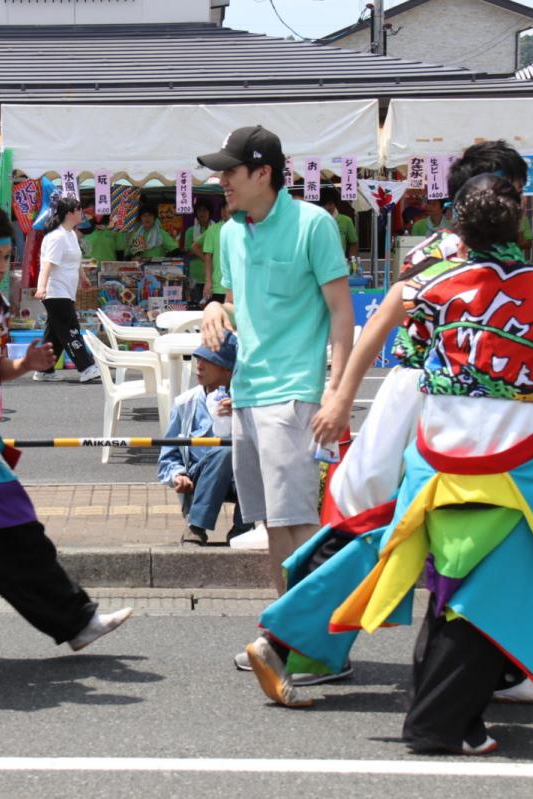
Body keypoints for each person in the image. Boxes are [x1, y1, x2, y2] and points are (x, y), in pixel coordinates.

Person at [250, 175, 533, 753]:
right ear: (518, 217)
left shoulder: (431, 270)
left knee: (394, 540)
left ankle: (292, 635)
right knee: (452, 560)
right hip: (499, 449)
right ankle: (311, 644)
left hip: (433, 431)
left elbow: (381, 323)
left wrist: (342, 394)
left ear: (459, 216)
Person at [0, 205, 133, 651]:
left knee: (19, 534)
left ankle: (76, 622)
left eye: (6, 259)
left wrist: (24, 364)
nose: (2, 270)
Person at [197, 125, 354, 601]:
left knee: (301, 524)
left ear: (264, 173)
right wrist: (211, 308)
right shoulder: (228, 234)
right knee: (271, 525)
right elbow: (232, 303)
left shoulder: (313, 224)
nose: (222, 180)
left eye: (231, 170)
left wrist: (337, 391)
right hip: (246, 392)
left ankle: (312, 641)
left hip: (293, 393)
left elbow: (341, 311)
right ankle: (285, 633)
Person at [158, 331, 249, 546]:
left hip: (243, 481)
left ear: (228, 368)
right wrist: (178, 475)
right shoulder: (185, 403)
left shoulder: (248, 401)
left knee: (242, 455)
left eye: (209, 360)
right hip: (200, 477)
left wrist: (242, 414)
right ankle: (195, 526)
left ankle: (244, 528)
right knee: (224, 450)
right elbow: (167, 457)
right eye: (199, 358)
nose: (199, 365)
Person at [33, 196, 100, 384]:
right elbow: (47, 264)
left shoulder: (71, 234)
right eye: (79, 210)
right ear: (70, 213)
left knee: (54, 333)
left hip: (66, 291)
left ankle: (44, 369)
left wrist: (84, 279)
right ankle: (86, 367)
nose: (82, 214)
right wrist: (41, 287)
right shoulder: (57, 237)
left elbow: (75, 261)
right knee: (71, 329)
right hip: (55, 291)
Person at [201, 199, 230, 305]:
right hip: (218, 285)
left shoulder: (244, 227)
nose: (224, 211)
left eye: (226, 207)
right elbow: (208, 257)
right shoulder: (213, 229)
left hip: (239, 286)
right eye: (222, 208)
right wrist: (208, 281)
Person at [184, 200, 213, 304]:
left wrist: (197, 249)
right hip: (195, 277)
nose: (202, 213)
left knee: (211, 308)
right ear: (196, 213)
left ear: (210, 213)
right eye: (200, 210)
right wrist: (207, 254)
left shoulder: (214, 229)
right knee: (195, 307)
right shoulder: (190, 231)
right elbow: (187, 252)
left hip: (212, 277)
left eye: (205, 210)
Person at [319, 187, 358, 261]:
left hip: (339, 264)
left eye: (330, 204)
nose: (327, 208)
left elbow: (354, 243)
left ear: (335, 204)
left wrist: (352, 262)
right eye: (324, 205)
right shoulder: (314, 221)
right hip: (319, 263)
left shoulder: (346, 220)